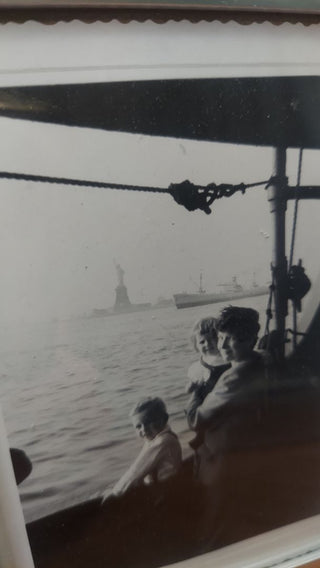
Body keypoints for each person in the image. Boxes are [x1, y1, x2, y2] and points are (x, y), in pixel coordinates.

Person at [109, 397, 182, 497]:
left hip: (166, 493)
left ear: (164, 419)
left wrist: (116, 491)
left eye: (148, 422)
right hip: (162, 488)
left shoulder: (163, 441)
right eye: (138, 426)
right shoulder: (154, 438)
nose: (144, 429)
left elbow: (137, 469)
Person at [186, 317, 229, 453]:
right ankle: (201, 437)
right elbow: (192, 385)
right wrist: (191, 387)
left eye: (212, 339)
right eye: (202, 342)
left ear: (221, 339)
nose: (207, 344)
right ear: (196, 345)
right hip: (206, 400)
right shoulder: (197, 367)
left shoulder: (227, 358)